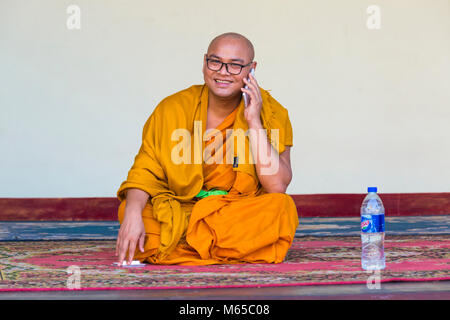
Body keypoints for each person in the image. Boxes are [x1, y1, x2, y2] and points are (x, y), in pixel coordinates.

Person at [115, 32, 299, 265]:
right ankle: (221, 248)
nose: (223, 71)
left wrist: (254, 121)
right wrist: (132, 212)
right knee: (133, 211)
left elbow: (277, 186)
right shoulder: (172, 108)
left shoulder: (272, 113)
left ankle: (182, 246)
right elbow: (145, 172)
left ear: (252, 69)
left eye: (235, 66)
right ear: (205, 62)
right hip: (181, 208)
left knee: (281, 209)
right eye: (215, 61)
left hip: (234, 210)